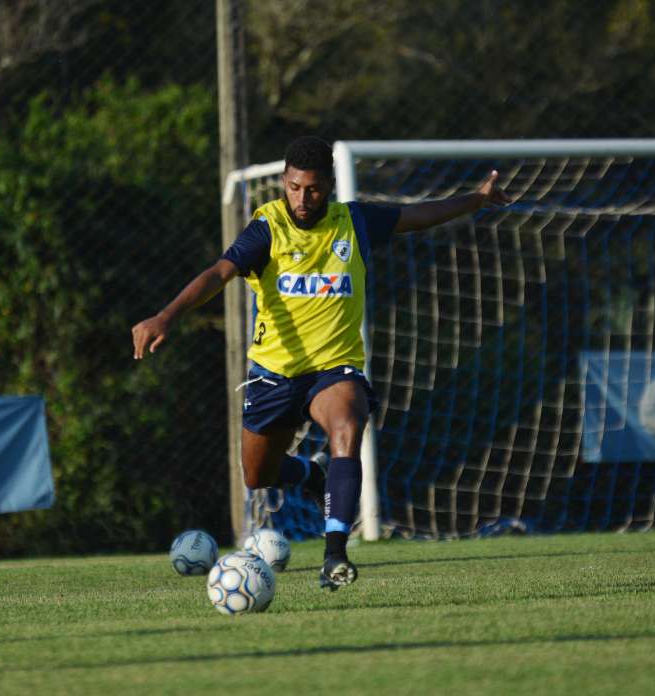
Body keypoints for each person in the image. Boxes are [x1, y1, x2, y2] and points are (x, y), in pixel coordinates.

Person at [131, 136, 510, 590]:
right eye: (293, 187)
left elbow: (420, 215)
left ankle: (335, 555)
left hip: (334, 367)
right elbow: (219, 273)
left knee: (347, 426)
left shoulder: (355, 222)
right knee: (258, 475)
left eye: (311, 189)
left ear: (328, 185)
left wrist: (476, 200)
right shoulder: (267, 228)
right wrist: (166, 316)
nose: (302, 199)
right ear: (284, 183)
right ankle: (311, 475)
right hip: (273, 372)